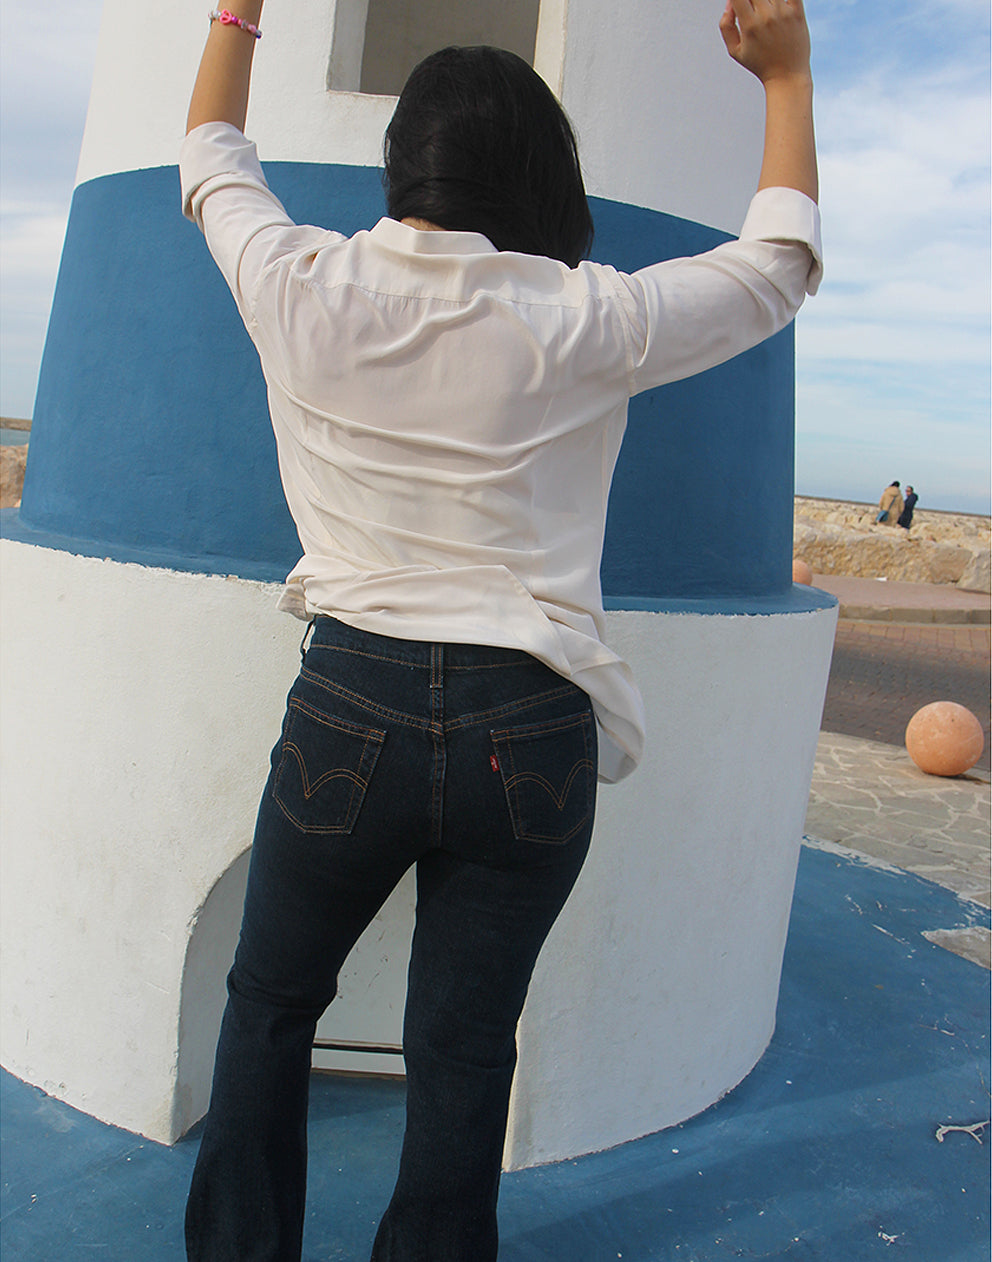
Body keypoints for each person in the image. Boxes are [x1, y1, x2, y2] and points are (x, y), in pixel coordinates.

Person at [179, 2, 820, 1258]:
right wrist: (785, 77)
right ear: (535, 169)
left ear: (399, 160)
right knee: (463, 1048)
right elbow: (776, 267)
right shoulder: (584, 316)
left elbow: (210, 150)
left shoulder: (298, 281)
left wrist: (237, 13)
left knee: (267, 1006)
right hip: (528, 722)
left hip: (346, 708)